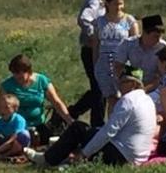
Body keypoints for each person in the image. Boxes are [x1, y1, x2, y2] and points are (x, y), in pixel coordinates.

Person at [25, 66, 157, 167]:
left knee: (78, 128)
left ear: (133, 84)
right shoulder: (147, 100)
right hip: (139, 155)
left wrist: (84, 153)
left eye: (123, 82)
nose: (119, 85)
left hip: (122, 155)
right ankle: (62, 156)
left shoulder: (128, 100)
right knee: (93, 131)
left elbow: (109, 132)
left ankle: (48, 159)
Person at [0, 54, 74, 145]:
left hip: (38, 125)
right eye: (14, 74)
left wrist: (70, 121)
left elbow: (56, 102)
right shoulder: (7, 85)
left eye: (19, 74)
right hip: (16, 126)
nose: (17, 77)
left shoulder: (42, 81)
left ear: (28, 71)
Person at [69, 0, 115, 127]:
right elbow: (83, 19)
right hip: (91, 51)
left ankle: (72, 112)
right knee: (99, 89)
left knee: (99, 87)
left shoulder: (102, 2)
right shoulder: (94, 2)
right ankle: (97, 124)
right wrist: (93, 35)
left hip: (101, 51)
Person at [92, 0, 139, 111]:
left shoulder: (129, 21)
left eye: (121, 3)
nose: (119, 7)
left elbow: (135, 45)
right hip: (104, 64)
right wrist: (95, 64)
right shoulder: (100, 21)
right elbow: (96, 45)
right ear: (107, 3)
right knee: (111, 98)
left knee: (125, 98)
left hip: (122, 63)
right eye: (115, 4)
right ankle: (111, 127)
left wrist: (134, 67)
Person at [113, 14, 166, 93]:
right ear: (145, 33)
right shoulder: (128, 44)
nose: (158, 40)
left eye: (160, 37)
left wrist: (145, 89)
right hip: (132, 85)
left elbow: (163, 75)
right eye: (155, 36)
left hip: (155, 88)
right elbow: (118, 66)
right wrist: (136, 75)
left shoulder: (163, 47)